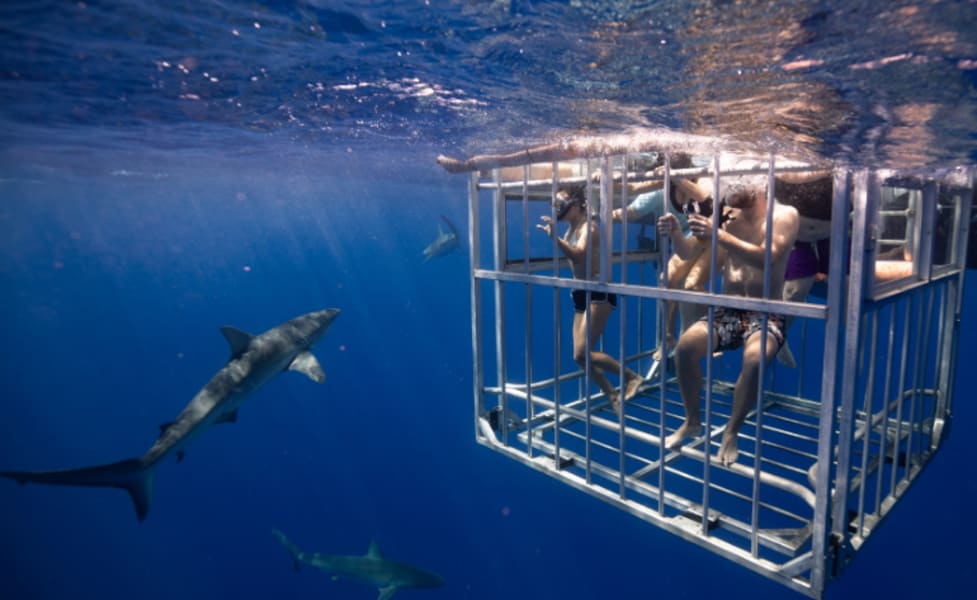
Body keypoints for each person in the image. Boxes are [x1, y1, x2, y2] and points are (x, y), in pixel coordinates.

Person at [657, 184, 799, 466]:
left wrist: (719, 235)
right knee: (684, 348)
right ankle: (692, 421)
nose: (729, 193)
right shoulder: (725, 214)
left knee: (756, 359)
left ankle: (731, 431)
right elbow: (686, 252)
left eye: (736, 187)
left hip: (766, 311)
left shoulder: (784, 215)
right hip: (728, 310)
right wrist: (675, 232)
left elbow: (769, 256)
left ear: (760, 185)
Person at [537, 185, 644, 419]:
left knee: (585, 352)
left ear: (576, 205)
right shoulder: (572, 228)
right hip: (581, 290)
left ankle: (632, 377)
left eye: (561, 204)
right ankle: (612, 394)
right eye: (555, 205)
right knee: (578, 356)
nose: (558, 210)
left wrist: (553, 238)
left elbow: (578, 254)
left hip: (598, 290)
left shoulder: (590, 227)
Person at [612, 162, 717, 362]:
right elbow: (633, 195)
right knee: (666, 279)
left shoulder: (702, 178)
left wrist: (677, 175)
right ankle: (667, 338)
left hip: (713, 232)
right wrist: (607, 183)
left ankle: (703, 336)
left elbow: (705, 196)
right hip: (687, 237)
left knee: (691, 284)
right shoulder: (663, 186)